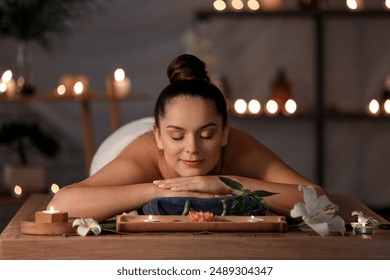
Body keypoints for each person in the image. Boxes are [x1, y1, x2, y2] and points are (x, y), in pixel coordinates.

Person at [49, 54, 324, 221]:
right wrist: (162, 189)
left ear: (225, 131)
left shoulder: (239, 145)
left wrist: (228, 184)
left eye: (206, 134)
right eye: (178, 136)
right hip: (126, 143)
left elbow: (319, 200)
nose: (192, 149)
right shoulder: (144, 154)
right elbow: (61, 204)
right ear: (159, 135)